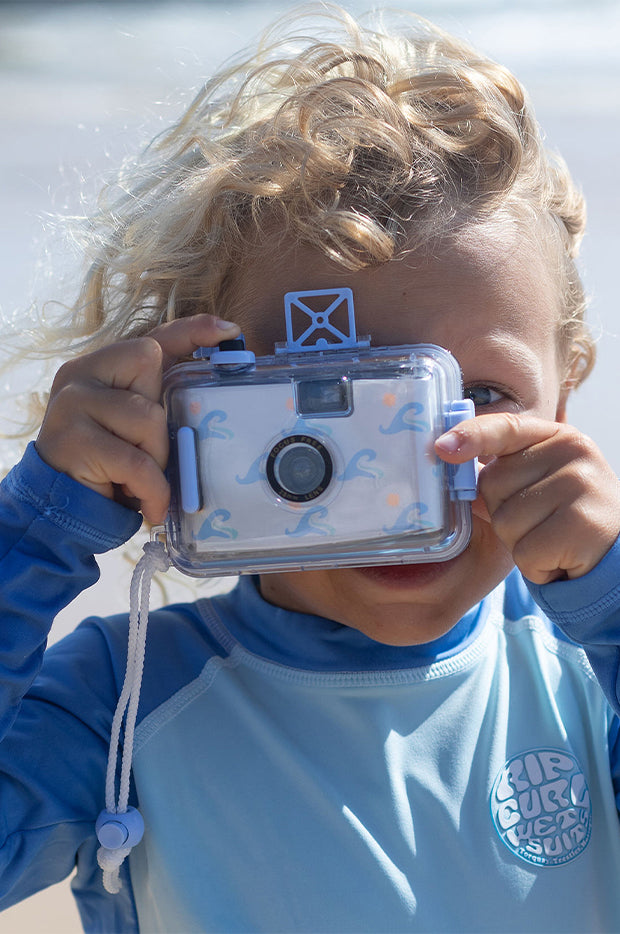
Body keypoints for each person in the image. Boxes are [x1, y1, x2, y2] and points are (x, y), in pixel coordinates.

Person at [1, 4, 620, 932]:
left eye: (478, 399)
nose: (402, 479)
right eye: (324, 414)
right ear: (191, 412)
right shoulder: (124, 703)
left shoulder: (580, 673)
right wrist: (37, 530)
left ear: (563, 400)